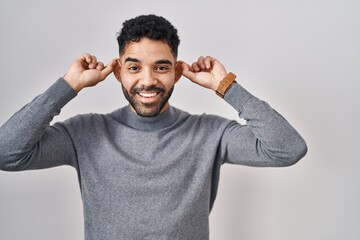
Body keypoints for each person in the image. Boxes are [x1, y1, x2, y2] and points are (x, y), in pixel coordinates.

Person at [0, 14, 307, 240]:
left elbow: (288, 149)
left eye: (161, 67)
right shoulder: (86, 133)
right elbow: (6, 153)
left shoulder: (210, 133)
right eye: (134, 68)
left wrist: (225, 86)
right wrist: (67, 86)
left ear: (176, 72)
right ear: (118, 72)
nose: (147, 81)